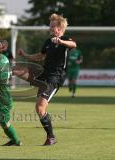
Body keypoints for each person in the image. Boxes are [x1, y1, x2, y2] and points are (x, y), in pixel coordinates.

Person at [13, 13, 76, 145]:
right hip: (45, 74)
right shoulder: (48, 41)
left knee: (40, 108)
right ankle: (5, 78)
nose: (49, 28)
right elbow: (40, 57)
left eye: (52, 26)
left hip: (55, 78)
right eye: (50, 25)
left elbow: (73, 44)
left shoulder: (64, 39)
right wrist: (25, 55)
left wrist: (61, 41)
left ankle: (51, 137)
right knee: (16, 70)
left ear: (59, 28)